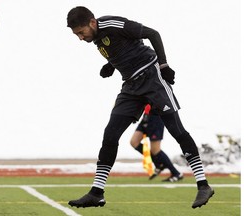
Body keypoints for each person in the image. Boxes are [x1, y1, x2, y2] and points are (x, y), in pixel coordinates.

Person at [66, 6, 214, 209]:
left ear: (92, 22)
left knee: (177, 130)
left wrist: (163, 65)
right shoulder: (97, 38)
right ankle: (96, 192)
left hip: (152, 78)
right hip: (131, 87)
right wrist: (112, 64)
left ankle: (203, 185)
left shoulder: (113, 24)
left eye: (81, 33)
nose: (80, 38)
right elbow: (123, 49)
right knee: (110, 135)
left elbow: (153, 34)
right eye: (76, 35)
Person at [131, 104, 183, 182]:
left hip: (156, 117)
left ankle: (176, 173)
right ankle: (158, 164)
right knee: (134, 142)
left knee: (156, 150)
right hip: (146, 116)